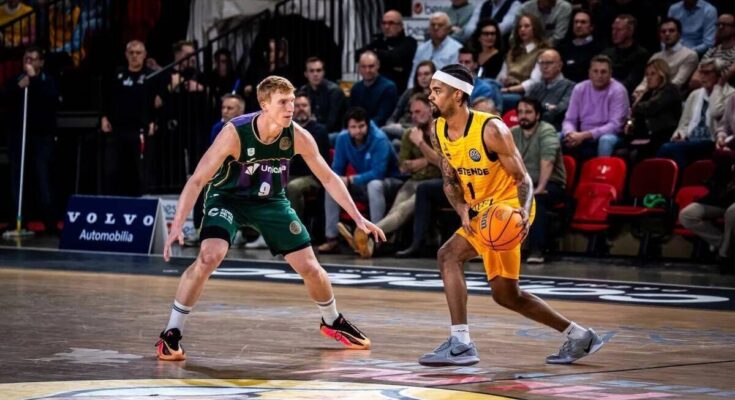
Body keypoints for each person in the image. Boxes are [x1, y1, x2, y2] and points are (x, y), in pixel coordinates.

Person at [157, 76, 385, 361]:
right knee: (209, 256)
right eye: (283, 102)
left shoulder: (298, 135)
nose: (291, 108)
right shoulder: (235, 133)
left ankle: (331, 320)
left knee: (311, 267)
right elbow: (198, 180)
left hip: (271, 201)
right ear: (264, 104)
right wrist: (178, 223)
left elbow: (328, 177)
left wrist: (358, 218)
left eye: (292, 101)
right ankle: (171, 333)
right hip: (228, 198)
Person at [418, 64, 604, 366]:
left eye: (437, 90)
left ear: (458, 96)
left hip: (505, 211)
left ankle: (461, 344)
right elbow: (449, 177)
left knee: (448, 256)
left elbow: (523, 179)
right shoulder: (438, 129)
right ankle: (580, 336)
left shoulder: (491, 129)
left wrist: (522, 215)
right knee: (506, 295)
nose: (430, 96)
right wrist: (461, 208)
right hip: (479, 210)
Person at [344, 94, 442, 258]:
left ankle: (366, 233)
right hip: (412, 181)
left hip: (432, 184)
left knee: (402, 210)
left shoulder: (441, 131)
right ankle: (372, 244)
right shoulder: (409, 133)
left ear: (430, 109)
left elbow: (443, 163)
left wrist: (420, 144)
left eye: (418, 111)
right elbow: (403, 167)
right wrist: (428, 160)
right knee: (394, 211)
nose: (414, 116)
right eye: (412, 113)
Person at [318, 107, 401, 253]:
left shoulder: (379, 139)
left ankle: (375, 239)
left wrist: (350, 180)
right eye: (353, 127)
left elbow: (378, 173)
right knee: (332, 186)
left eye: (361, 126)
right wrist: (338, 180)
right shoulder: (342, 139)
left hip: (391, 182)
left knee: (374, 185)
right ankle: (332, 238)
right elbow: (337, 169)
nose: (358, 130)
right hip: (361, 183)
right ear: (347, 128)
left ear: (367, 125)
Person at [3, 46, 59, 233]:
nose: (29, 62)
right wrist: (17, 88)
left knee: (43, 178)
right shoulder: (16, 80)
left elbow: (51, 99)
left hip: (41, 137)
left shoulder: (47, 80)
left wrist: (34, 80)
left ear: (41, 62)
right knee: (17, 179)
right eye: (26, 59)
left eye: (33, 59)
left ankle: (50, 222)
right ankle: (18, 219)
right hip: (19, 135)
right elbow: (4, 97)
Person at [511, 97, 566, 264]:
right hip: (524, 184)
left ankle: (537, 250)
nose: (523, 116)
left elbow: (548, 160)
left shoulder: (546, 130)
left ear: (538, 115)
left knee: (536, 200)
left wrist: (540, 187)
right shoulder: (513, 132)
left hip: (551, 183)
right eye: (520, 112)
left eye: (528, 112)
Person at [100, 40, 158, 196]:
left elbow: (157, 101)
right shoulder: (117, 74)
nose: (134, 56)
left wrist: (154, 121)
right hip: (117, 129)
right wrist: (104, 117)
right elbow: (106, 97)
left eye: (138, 53)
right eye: (131, 52)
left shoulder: (151, 76)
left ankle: (140, 202)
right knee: (112, 169)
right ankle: (112, 203)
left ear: (144, 55)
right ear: (126, 55)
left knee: (140, 170)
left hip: (139, 130)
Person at [562, 55, 629, 161]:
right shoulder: (579, 88)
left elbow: (615, 126)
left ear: (610, 73)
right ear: (589, 73)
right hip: (581, 133)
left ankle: (602, 170)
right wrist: (570, 133)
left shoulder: (618, 91)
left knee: (605, 140)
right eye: (595, 71)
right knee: (555, 137)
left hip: (610, 135)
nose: (599, 75)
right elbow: (569, 119)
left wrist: (585, 135)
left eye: (603, 72)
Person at [621, 59, 682, 165]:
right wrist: (630, 124)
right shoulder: (648, 93)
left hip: (662, 135)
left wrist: (636, 105)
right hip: (644, 136)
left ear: (662, 75)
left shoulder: (670, 89)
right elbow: (633, 115)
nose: (649, 78)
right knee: (620, 153)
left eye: (653, 74)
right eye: (647, 75)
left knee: (634, 155)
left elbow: (650, 107)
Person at [632, 17, 698, 99]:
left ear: (679, 33)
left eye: (671, 31)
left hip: (673, 99)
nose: (667, 34)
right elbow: (645, 81)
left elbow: (677, 83)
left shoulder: (689, 55)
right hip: (652, 96)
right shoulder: (655, 57)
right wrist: (637, 92)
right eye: (663, 31)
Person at [356, 10, 417, 92]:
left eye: (391, 23)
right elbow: (358, 54)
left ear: (400, 26)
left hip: (400, 90)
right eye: (384, 23)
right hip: (376, 89)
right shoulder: (379, 41)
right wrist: (387, 59)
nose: (386, 27)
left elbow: (396, 57)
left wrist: (376, 53)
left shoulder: (409, 42)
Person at [407, 12, 462, 88]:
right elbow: (413, 75)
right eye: (433, 25)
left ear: (448, 29)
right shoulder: (421, 48)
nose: (436, 28)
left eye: (440, 25)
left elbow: (455, 78)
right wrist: (411, 91)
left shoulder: (456, 49)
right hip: (421, 91)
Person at [349, 50, 399, 127]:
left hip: (379, 130)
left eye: (371, 66)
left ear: (378, 65)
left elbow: (382, 118)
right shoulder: (356, 88)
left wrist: (361, 127)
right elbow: (351, 115)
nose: (367, 70)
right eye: (363, 67)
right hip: (357, 129)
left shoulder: (389, 88)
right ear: (359, 68)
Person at [299, 57, 347, 132]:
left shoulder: (334, 92)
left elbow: (332, 123)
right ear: (306, 74)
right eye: (311, 71)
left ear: (323, 72)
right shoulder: (303, 91)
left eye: (318, 70)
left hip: (332, 132)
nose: (315, 74)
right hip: (310, 131)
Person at [556, 9, 604, 83]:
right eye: (576, 22)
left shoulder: (599, 49)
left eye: (583, 22)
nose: (578, 25)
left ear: (591, 27)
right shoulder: (563, 47)